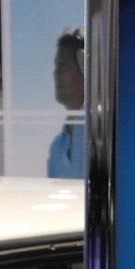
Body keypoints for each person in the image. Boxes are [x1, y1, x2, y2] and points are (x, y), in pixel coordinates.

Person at [45, 29, 85, 179]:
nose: (56, 74)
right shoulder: (57, 148)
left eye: (63, 66)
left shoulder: (101, 135)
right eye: (56, 66)